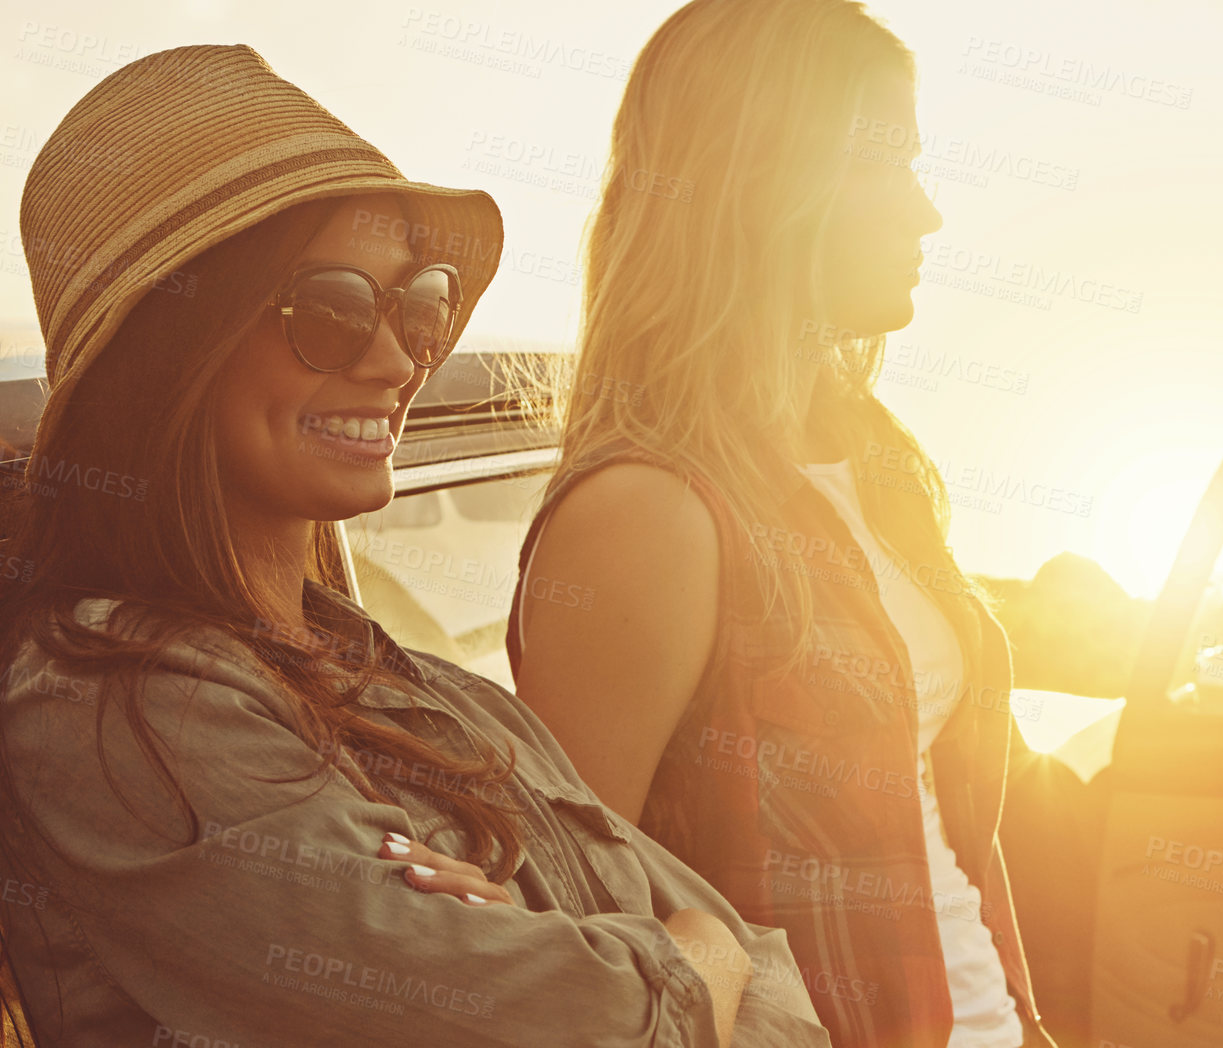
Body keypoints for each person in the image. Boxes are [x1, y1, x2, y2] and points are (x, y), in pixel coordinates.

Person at [0, 44, 829, 1048]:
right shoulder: (116, 712)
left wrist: (686, 957)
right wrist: (692, 951)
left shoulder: (438, 692)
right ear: (171, 352)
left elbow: (778, 985)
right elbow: (608, 1017)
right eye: (332, 310)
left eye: (420, 303)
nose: (399, 358)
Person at [507, 3, 1057, 1046]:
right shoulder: (647, 516)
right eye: (883, 167)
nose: (926, 213)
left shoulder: (877, 457)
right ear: (765, 187)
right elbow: (584, 927)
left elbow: (939, 832)